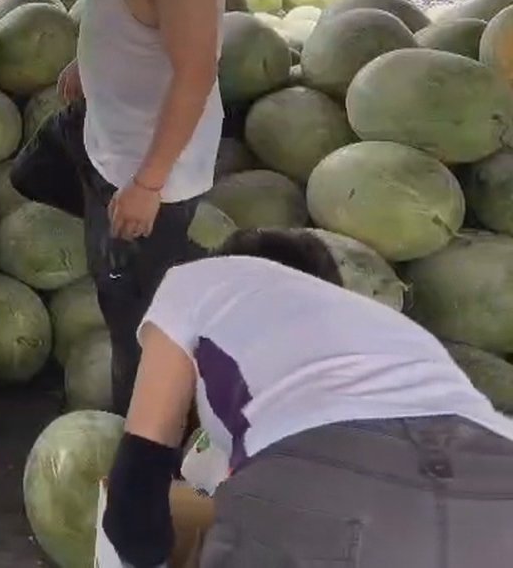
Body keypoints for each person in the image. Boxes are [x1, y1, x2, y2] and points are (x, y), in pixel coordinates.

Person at [102, 228, 513, 568]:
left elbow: (137, 488)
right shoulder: (387, 328)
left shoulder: (198, 282)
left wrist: (143, 555)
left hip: (325, 476)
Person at [11, 0, 226, 416]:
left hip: (142, 162)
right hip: (100, 130)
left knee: (132, 321)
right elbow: (124, 6)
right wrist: (90, 63)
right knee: (31, 172)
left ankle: (137, 450)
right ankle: (175, 264)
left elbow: (195, 74)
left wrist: (148, 185)